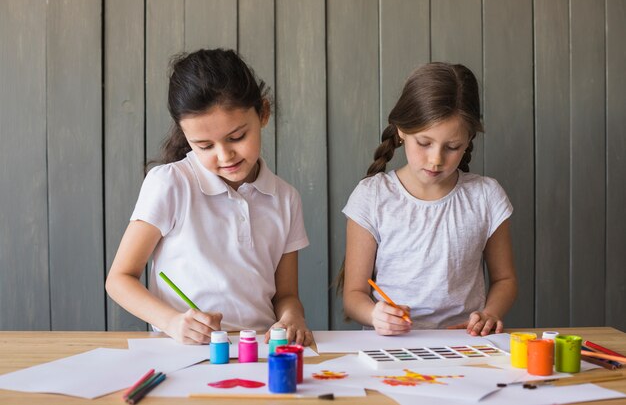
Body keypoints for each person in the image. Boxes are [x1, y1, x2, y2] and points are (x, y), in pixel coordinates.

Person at [106, 48, 312, 346]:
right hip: (183, 352)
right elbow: (119, 279)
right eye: (204, 145)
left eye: (237, 137)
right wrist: (173, 322)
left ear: (263, 113)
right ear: (185, 135)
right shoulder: (171, 183)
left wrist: (293, 316)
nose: (224, 155)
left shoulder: (285, 198)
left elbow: (286, 295)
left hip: (258, 352)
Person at [340, 62, 517, 337]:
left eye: (452, 147)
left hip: (465, 345)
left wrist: (490, 313)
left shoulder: (485, 196)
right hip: (392, 346)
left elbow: (505, 279)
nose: (436, 160)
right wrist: (375, 314)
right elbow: (353, 296)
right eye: (424, 143)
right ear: (401, 130)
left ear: (468, 139)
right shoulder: (372, 196)